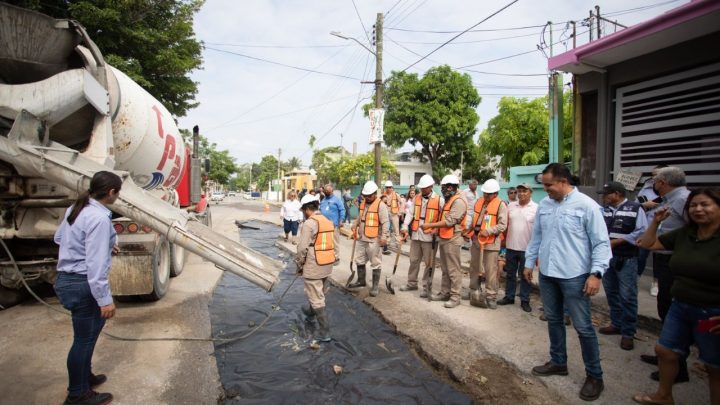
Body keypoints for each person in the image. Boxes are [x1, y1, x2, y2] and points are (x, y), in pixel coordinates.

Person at [523, 163, 611, 402]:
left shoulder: (587, 206)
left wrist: (596, 274)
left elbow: (601, 244)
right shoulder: (545, 206)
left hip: (575, 277)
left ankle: (595, 376)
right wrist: (529, 262)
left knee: (583, 327)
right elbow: (537, 237)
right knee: (553, 320)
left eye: (549, 185)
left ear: (563, 181)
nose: (546, 189)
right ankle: (558, 362)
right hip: (548, 274)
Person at [633, 188, 720, 405]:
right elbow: (647, 244)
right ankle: (664, 396)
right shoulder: (685, 234)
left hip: (710, 314)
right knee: (665, 350)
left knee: (713, 365)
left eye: (705, 204)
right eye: (693, 205)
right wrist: (655, 222)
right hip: (681, 307)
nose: (698, 209)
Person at [53, 171, 123, 405]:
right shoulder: (99, 218)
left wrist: (105, 244)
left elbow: (59, 238)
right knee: (83, 340)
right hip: (83, 283)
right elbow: (95, 265)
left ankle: (85, 378)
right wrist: (105, 299)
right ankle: (77, 394)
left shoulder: (76, 208)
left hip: (68, 279)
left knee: (87, 336)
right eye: (118, 192)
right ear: (111, 192)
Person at [597, 181, 647, 351]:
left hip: (626, 258)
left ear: (617, 194)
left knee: (627, 295)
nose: (605, 198)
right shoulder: (604, 210)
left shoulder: (635, 208)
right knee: (611, 293)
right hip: (607, 258)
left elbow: (642, 231)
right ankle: (616, 323)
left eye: (607, 194)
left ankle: (628, 332)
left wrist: (619, 241)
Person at [422, 175, 467, 309]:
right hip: (445, 238)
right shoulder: (449, 200)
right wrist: (435, 230)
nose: (443, 190)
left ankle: (455, 296)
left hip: (453, 239)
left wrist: (431, 225)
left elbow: (449, 221)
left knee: (453, 269)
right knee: (445, 269)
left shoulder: (458, 202)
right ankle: (445, 292)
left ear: (452, 187)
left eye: (445, 187)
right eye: (442, 187)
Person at [295, 194, 335, 343]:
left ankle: (324, 332)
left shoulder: (309, 224)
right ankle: (311, 312)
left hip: (314, 264)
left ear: (306, 210)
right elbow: (334, 244)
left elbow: (302, 248)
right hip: (327, 263)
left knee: (316, 296)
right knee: (319, 291)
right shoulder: (327, 221)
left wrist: (299, 264)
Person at [463, 178, 507, 309]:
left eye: (488, 194)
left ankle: (491, 296)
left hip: (491, 243)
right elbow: (475, 220)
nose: (486, 196)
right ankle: (474, 291)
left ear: (496, 193)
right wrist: (468, 231)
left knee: (490, 271)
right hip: (477, 240)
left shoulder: (501, 205)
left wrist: (489, 231)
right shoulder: (479, 201)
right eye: (484, 193)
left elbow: (502, 225)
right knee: (474, 268)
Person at [498, 183, 537, 312]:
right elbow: (505, 224)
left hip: (527, 249)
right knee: (510, 274)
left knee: (525, 276)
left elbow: (539, 230)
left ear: (530, 192)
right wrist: (503, 241)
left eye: (524, 191)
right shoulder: (510, 206)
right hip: (511, 246)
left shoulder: (536, 208)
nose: (521, 193)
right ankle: (509, 296)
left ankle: (525, 300)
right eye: (519, 191)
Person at [400, 174, 442, 296]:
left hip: (430, 237)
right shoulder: (416, 198)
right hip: (416, 234)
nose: (423, 190)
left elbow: (442, 218)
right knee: (413, 260)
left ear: (431, 187)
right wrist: (404, 225)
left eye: (425, 188)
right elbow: (410, 213)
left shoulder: (439, 200)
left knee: (429, 263)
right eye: (421, 188)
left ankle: (426, 287)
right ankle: (412, 283)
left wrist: (436, 229)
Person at [349, 181, 390, 297]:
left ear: (374, 194)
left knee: (375, 262)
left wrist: (384, 236)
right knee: (360, 259)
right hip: (362, 237)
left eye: (369, 196)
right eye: (365, 195)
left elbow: (386, 222)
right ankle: (361, 281)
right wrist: (355, 224)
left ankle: (375, 286)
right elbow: (360, 217)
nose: (366, 197)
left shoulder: (380, 205)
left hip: (374, 239)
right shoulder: (363, 203)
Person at [637, 164, 668, 296]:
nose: (654, 177)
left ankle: (656, 282)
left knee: (659, 258)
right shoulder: (646, 187)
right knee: (640, 255)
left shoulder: (672, 190)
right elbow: (637, 203)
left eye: (658, 174)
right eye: (653, 174)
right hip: (647, 227)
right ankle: (635, 278)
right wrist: (644, 204)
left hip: (665, 228)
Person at [319, 184, 345, 265]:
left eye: (328, 191)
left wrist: (341, 220)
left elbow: (342, 210)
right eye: (325, 191)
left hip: (334, 225)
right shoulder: (323, 200)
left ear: (332, 191)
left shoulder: (337, 200)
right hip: (324, 226)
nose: (326, 192)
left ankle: (336, 257)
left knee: (335, 242)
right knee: (325, 242)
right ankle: (327, 256)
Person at [383, 181, 401, 255]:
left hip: (394, 213)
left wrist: (400, 212)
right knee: (387, 229)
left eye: (389, 187)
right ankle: (387, 244)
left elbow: (402, 202)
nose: (388, 189)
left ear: (392, 188)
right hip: (386, 213)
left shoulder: (396, 195)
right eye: (387, 187)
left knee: (396, 229)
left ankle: (398, 243)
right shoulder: (383, 196)